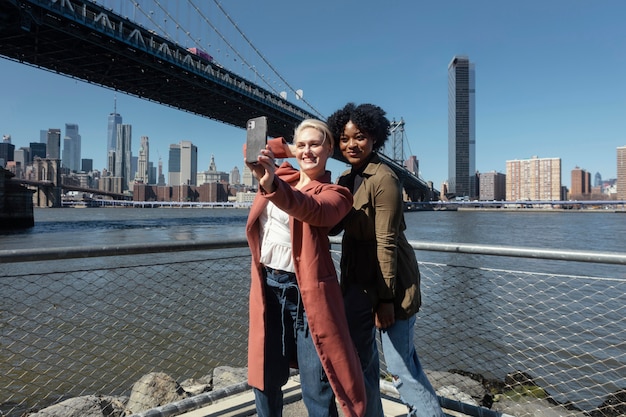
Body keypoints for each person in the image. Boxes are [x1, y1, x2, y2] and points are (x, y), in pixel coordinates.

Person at [327, 103, 445, 417]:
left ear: (375, 138)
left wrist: (386, 300)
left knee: (400, 367)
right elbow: (331, 226)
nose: (351, 144)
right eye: (344, 138)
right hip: (356, 281)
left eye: (360, 137)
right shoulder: (342, 179)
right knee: (360, 360)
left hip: (392, 283)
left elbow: (386, 243)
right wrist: (311, 184)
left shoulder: (385, 179)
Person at [244, 118, 367, 417]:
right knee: (264, 378)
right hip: (267, 288)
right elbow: (251, 147)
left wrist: (273, 184)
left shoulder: (336, 194)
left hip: (307, 295)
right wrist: (293, 148)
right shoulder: (282, 173)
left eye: (315, 145)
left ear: (329, 150)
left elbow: (310, 209)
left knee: (318, 386)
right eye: (302, 145)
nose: (308, 151)